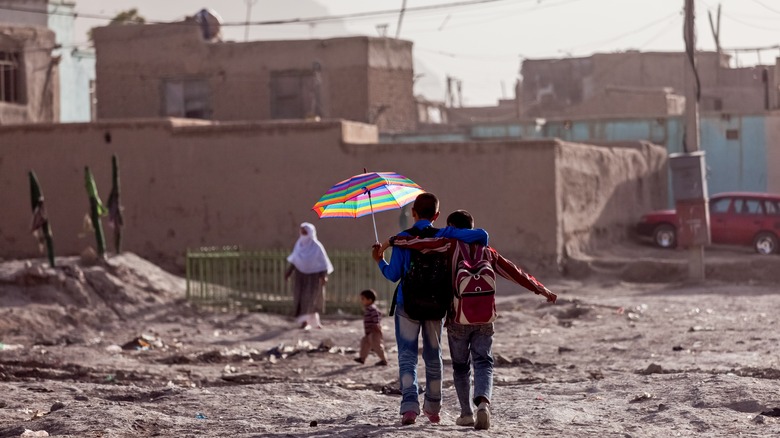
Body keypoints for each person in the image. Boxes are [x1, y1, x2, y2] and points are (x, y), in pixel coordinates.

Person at [377, 210, 557, 430]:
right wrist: (542, 290)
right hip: (485, 317)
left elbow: (420, 243)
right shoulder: (487, 251)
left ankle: (466, 413)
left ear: (452, 226)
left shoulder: (449, 245)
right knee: (484, 362)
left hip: (457, 318)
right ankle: (483, 403)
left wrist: (392, 241)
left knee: (461, 367)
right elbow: (516, 272)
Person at [371, 193, 489, 426]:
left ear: (413, 212)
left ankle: (409, 409)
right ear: (436, 215)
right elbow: (482, 236)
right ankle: (433, 408)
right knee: (434, 357)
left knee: (407, 357)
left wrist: (380, 259)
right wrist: (451, 232)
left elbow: (393, 275)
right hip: (436, 305)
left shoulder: (402, 239)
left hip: (408, 305)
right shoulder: (444, 234)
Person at [285, 222, 333, 330]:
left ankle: (314, 322)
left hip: (313, 278)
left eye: (304, 231)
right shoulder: (299, 244)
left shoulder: (317, 246)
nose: (302, 233)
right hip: (300, 277)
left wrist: (323, 276)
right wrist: (288, 272)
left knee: (312, 298)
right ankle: (304, 321)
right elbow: (295, 260)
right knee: (301, 298)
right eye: (301, 231)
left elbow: (323, 262)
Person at [354, 289, 388, 366]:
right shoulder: (368, 308)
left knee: (377, 346)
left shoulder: (372, 309)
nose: (361, 301)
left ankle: (384, 360)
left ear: (369, 300)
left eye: (363, 299)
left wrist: (376, 325)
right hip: (369, 332)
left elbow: (377, 316)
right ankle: (362, 358)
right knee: (364, 343)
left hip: (374, 332)